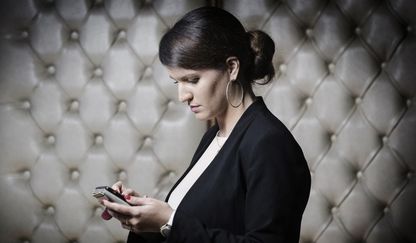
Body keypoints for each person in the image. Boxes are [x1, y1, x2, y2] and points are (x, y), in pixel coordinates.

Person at [100, 6, 311, 243]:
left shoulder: (269, 143)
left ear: (232, 68)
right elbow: (198, 227)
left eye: (192, 79)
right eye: (176, 82)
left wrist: (168, 222)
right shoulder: (214, 137)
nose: (183, 96)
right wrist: (144, 218)